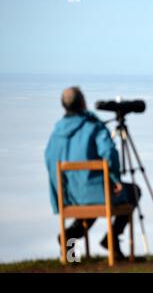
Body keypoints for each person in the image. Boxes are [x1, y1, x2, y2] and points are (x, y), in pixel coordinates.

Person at [45, 86, 140, 260]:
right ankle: (112, 239)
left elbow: (49, 162)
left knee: (90, 200)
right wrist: (116, 180)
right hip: (97, 194)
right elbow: (110, 154)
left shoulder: (55, 134)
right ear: (82, 103)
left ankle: (71, 245)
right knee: (133, 191)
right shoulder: (94, 127)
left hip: (68, 196)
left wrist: (59, 193)